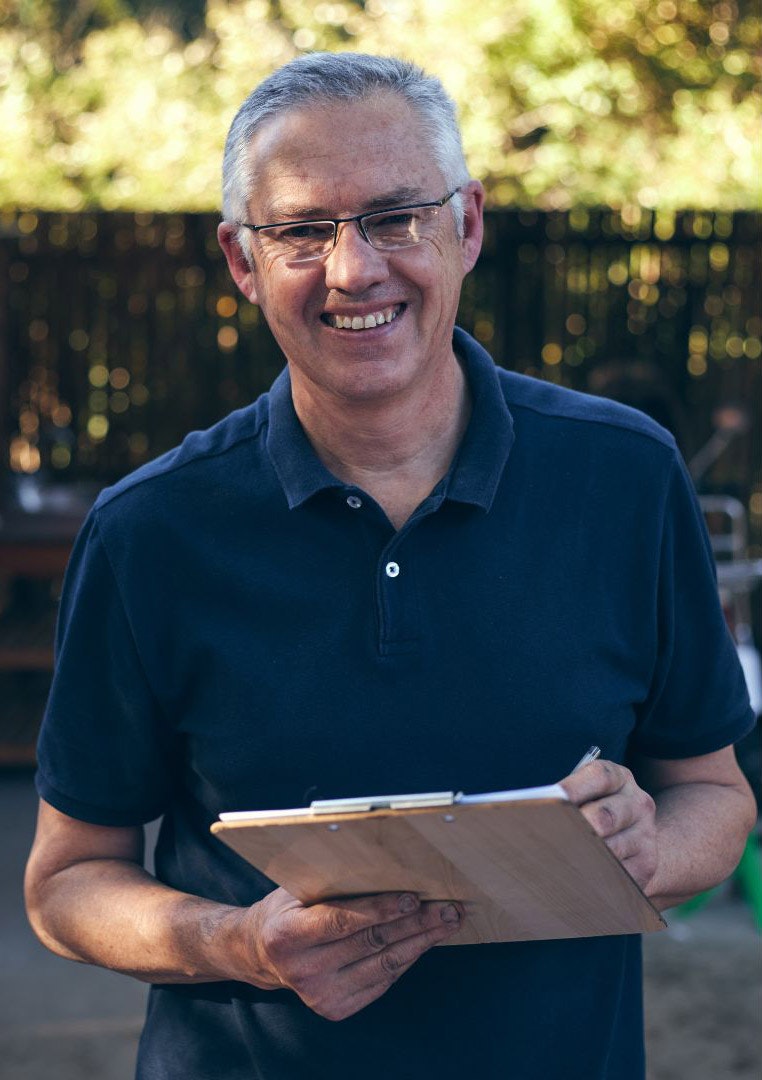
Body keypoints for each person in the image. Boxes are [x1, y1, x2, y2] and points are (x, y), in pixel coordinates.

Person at [25, 53, 756, 1080]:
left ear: (467, 224)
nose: (353, 268)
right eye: (301, 231)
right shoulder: (152, 529)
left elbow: (717, 799)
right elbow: (67, 881)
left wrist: (648, 850)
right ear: (242, 261)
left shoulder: (623, 476)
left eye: (394, 216)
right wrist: (237, 944)